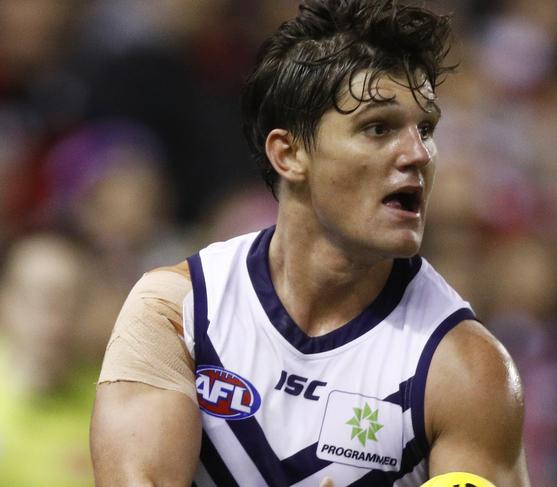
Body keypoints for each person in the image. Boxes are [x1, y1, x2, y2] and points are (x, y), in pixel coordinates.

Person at [90, 1, 530, 485]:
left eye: (426, 129)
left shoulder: (466, 369)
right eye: (378, 127)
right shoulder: (178, 312)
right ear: (289, 153)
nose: (418, 154)